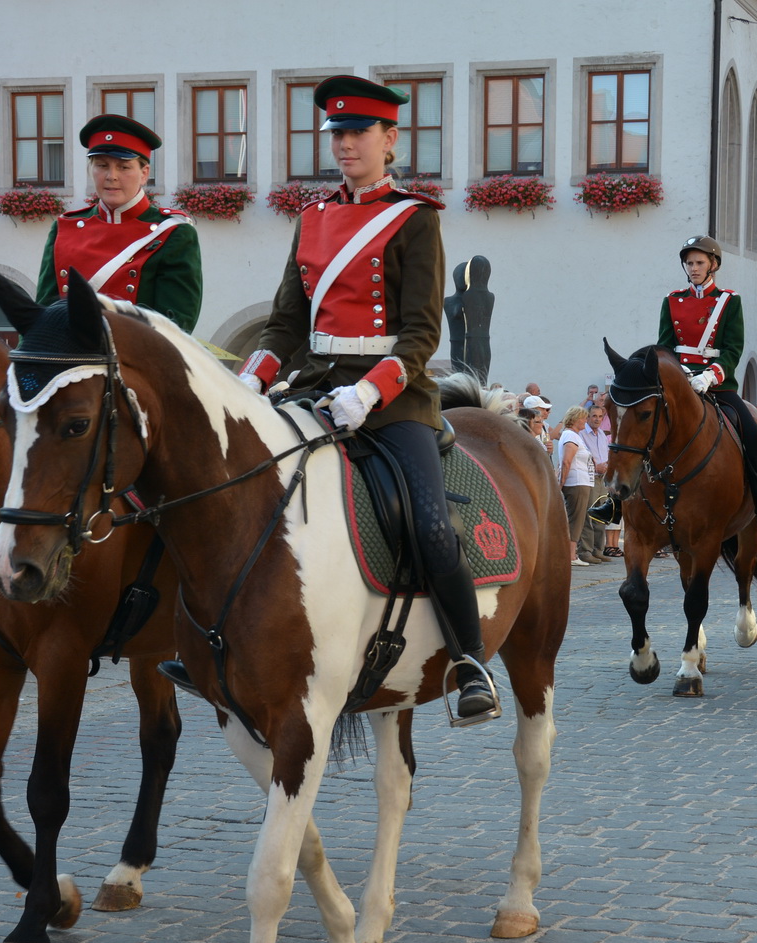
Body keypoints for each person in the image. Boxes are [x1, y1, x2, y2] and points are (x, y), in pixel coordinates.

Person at [234, 76, 498, 723]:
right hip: (315, 388)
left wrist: (369, 390)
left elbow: (420, 334)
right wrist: (250, 378)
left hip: (394, 398)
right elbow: (285, 325)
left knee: (431, 525)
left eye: (358, 133)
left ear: (390, 139)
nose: (345, 144)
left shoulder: (415, 217)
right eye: (337, 134)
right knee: (234, 487)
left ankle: (470, 659)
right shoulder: (314, 217)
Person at [656, 235, 757, 531]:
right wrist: (677, 376)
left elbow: (733, 349)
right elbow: (664, 347)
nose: (693, 268)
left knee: (754, 436)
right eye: (689, 263)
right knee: (643, 426)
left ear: (713, 264)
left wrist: (709, 375)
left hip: (717, 384)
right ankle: (618, 499)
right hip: (679, 383)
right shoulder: (672, 301)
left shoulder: (728, 301)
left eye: (699, 262)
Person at [35, 114, 202, 331]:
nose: (111, 176)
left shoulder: (172, 232)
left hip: (132, 359)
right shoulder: (64, 228)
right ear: (91, 170)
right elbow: (43, 312)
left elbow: (175, 325)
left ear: (144, 174)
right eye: (102, 165)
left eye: (124, 167)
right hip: (68, 358)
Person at [556, 407, 598, 566]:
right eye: (583, 418)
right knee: (576, 519)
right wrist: (561, 483)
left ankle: (571, 553)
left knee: (578, 518)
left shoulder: (575, 436)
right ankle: (571, 555)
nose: (585, 421)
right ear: (574, 419)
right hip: (576, 482)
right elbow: (566, 461)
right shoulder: (570, 435)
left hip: (582, 481)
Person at [578, 403, 613, 561]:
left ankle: (598, 549)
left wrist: (606, 466)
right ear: (587, 417)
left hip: (602, 479)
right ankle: (585, 551)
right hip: (589, 476)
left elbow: (606, 455)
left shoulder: (602, 436)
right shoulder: (581, 434)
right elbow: (580, 456)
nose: (597, 419)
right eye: (594, 416)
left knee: (601, 514)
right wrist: (595, 466)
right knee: (589, 515)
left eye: (600, 416)